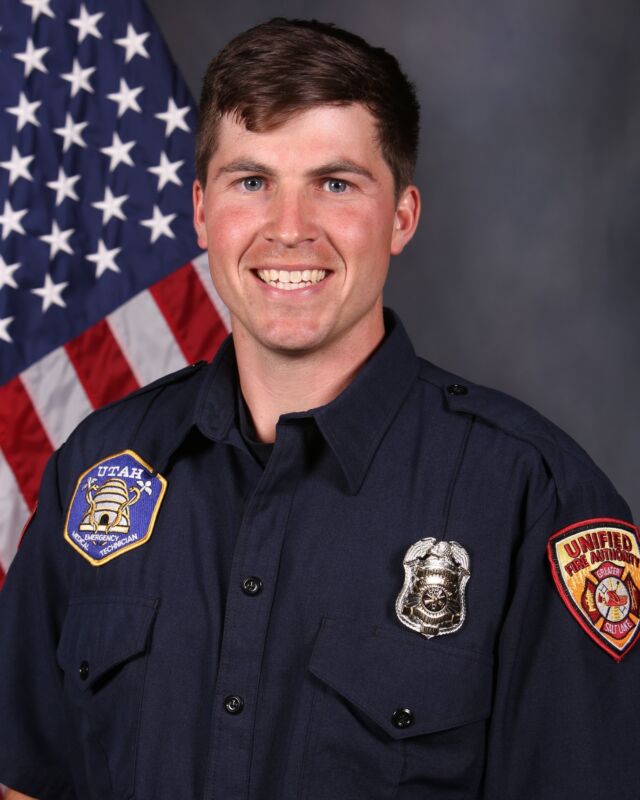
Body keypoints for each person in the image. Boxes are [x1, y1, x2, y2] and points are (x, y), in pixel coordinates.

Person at [0, 17, 638, 800]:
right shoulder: (96, 469)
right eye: (251, 181)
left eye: (335, 183)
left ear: (401, 217)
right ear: (200, 212)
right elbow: (24, 777)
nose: (289, 229)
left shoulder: (534, 498)